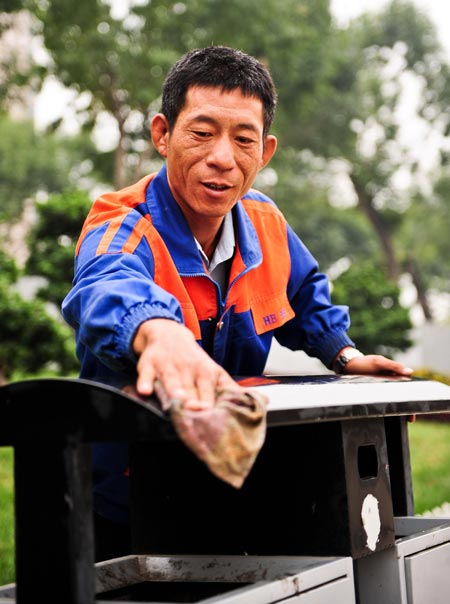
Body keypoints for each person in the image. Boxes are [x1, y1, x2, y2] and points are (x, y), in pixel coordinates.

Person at [61, 45, 412, 561]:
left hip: (234, 482)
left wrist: (344, 355)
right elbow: (104, 283)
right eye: (202, 133)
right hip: (126, 496)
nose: (222, 158)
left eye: (243, 139)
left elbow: (305, 293)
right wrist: (158, 330)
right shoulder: (122, 221)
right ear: (163, 134)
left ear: (265, 152)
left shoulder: (266, 223)